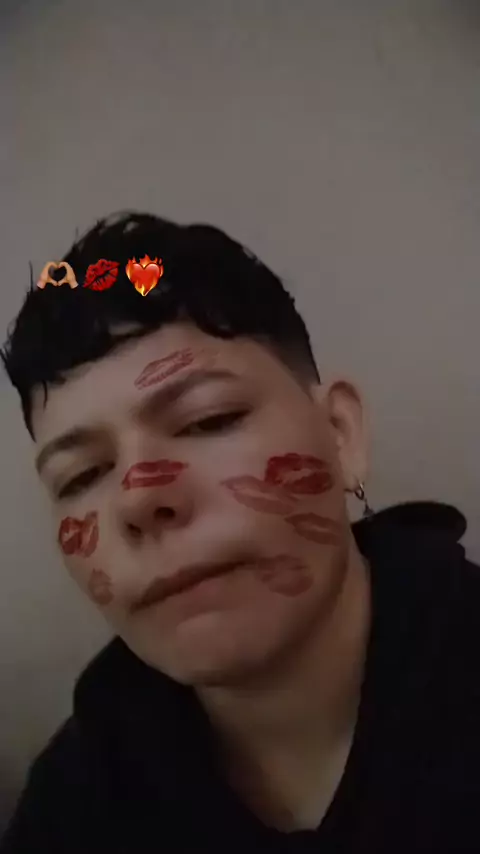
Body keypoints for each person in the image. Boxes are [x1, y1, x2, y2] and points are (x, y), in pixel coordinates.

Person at [0, 212, 479, 854]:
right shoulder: (70, 808)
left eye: (208, 419)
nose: (138, 497)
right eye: (81, 475)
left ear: (340, 435)